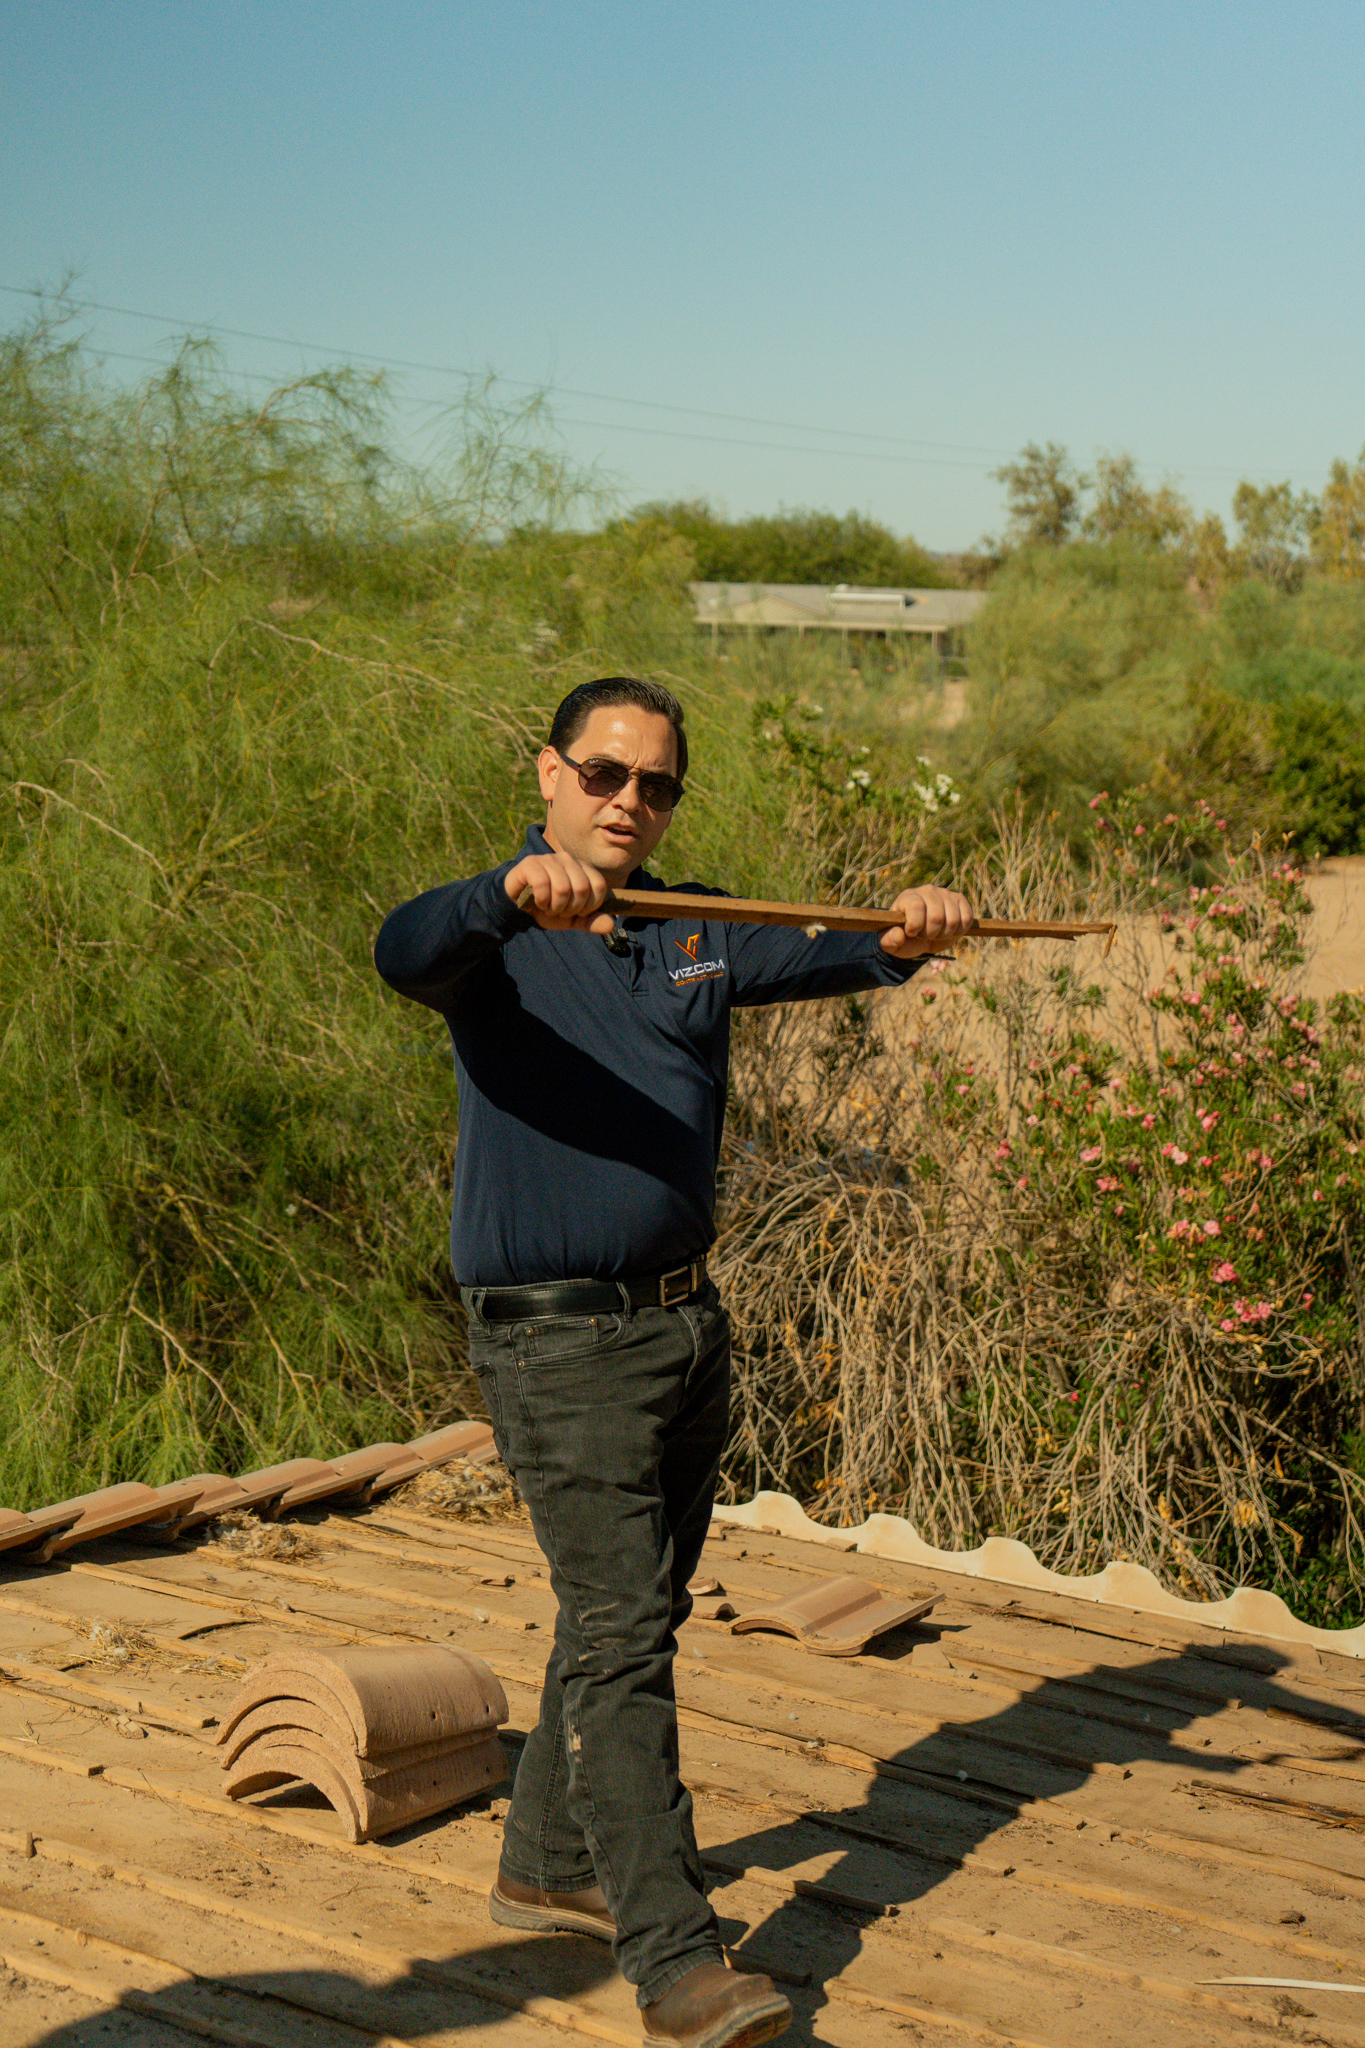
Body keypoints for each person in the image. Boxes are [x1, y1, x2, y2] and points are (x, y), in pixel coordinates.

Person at [374, 676, 974, 2048]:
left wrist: (916, 930)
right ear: (546, 772)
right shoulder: (491, 937)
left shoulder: (691, 928)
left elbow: (846, 947)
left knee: (623, 1608)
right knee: (630, 1638)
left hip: (681, 1325)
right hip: (558, 1344)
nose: (626, 802)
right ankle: (676, 1960)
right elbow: (400, 951)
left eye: (654, 785)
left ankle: (546, 1865)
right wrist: (500, 900)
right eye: (602, 773)